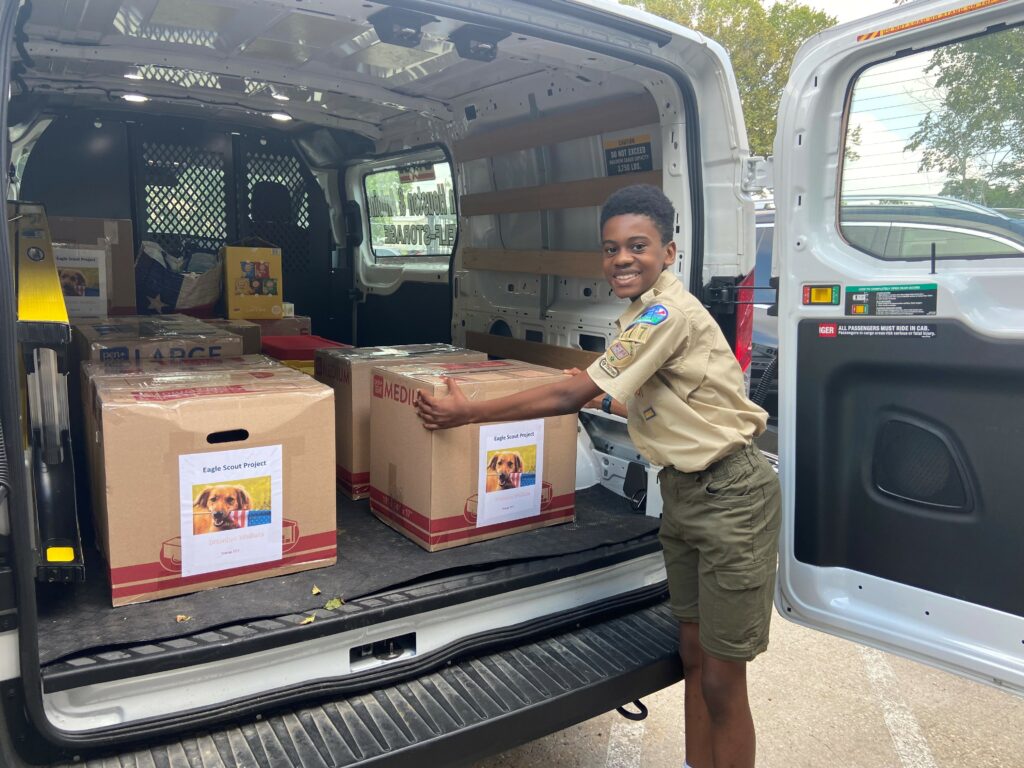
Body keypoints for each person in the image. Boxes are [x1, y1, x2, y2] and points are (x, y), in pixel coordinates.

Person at [414, 184, 780, 768]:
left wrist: (469, 410)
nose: (622, 260)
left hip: (730, 494)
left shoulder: (666, 312)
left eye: (638, 246)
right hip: (685, 493)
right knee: (691, 653)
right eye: (610, 250)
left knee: (721, 678)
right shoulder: (640, 315)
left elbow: (571, 393)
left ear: (670, 252)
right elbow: (639, 398)